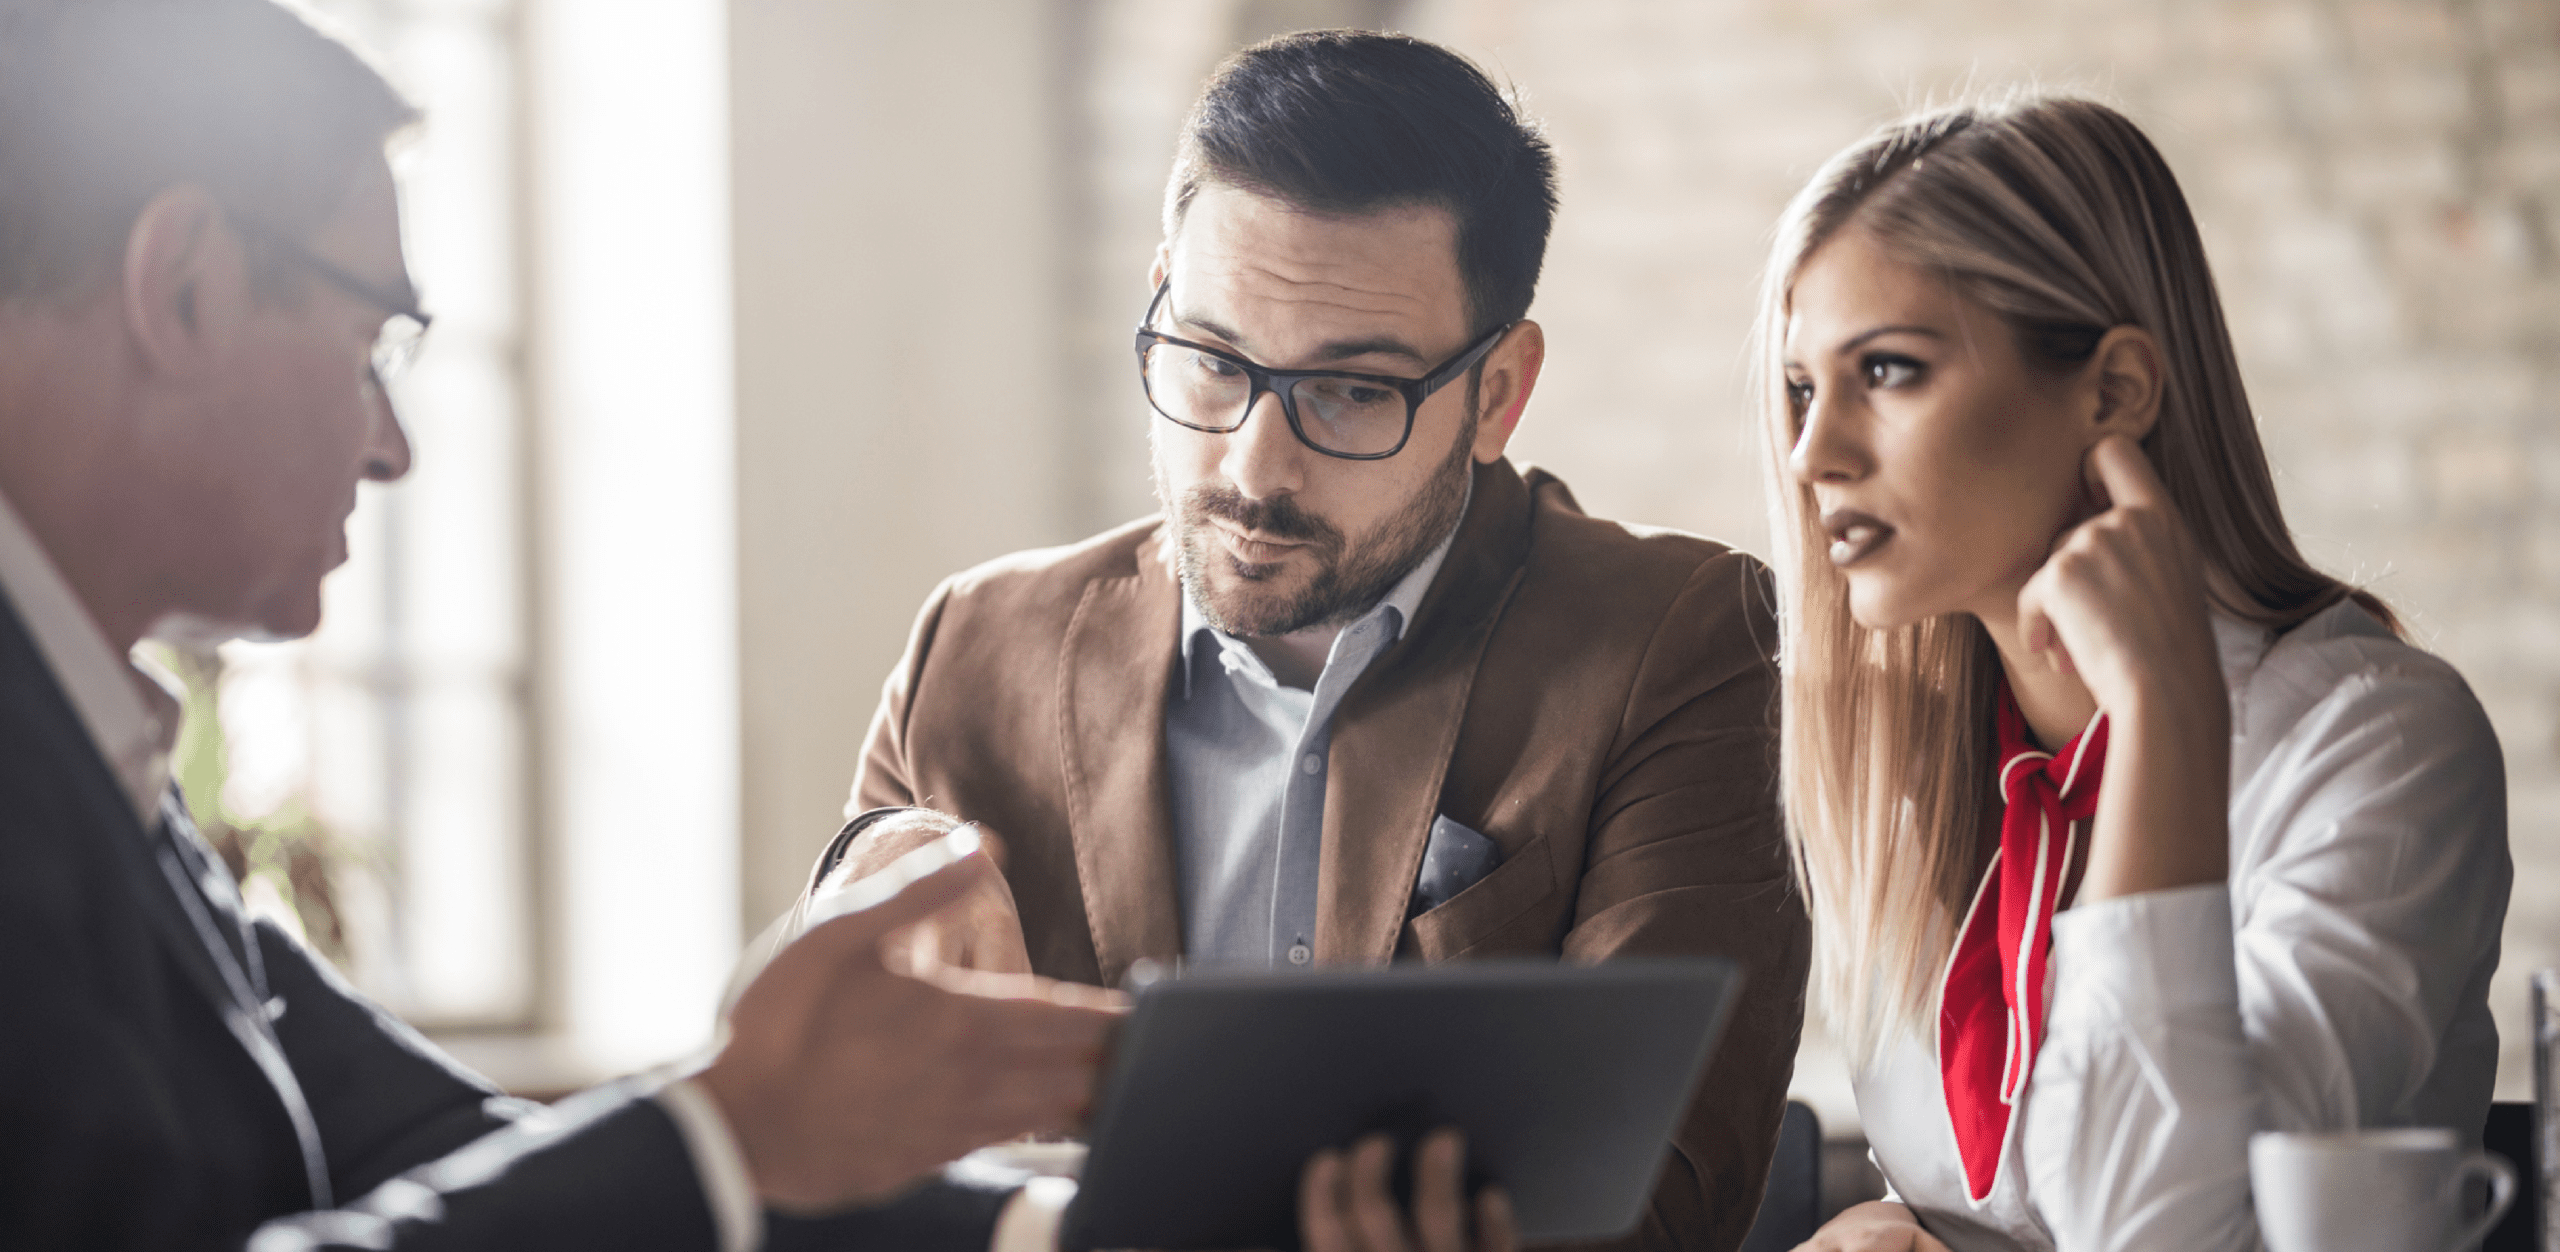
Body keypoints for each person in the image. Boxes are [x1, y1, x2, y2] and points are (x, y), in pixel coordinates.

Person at [0, 5, 1505, 1252]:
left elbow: (439, 1149)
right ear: (183, 287)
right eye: (367, 338)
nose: (391, 442)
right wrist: (731, 1126)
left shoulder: (91, 742)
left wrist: (1087, 1221)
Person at [788, 28, 1809, 1252]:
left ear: (1496, 394)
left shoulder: (1685, 645)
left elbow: (1667, 1197)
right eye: (1212, 361)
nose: (1252, 467)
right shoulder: (974, 644)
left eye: (1352, 392)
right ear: (1160, 294)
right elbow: (839, 1159)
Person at [1757, 95, 2512, 1252]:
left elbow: (2160, 1231)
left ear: (2113, 392)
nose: (1814, 454)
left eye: (1891, 371)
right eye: (1803, 387)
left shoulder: (2380, 744)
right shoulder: (1914, 769)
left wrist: (2162, 717)